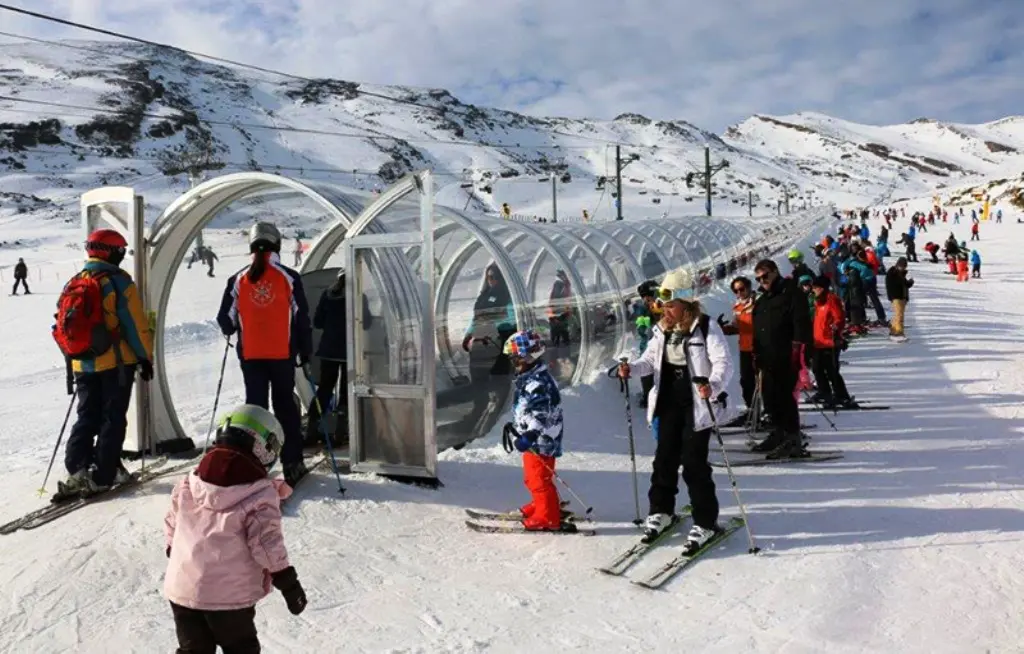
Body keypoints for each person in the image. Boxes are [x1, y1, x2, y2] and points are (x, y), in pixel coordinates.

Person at [164, 404, 307, 653]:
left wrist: (173, 551)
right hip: (227, 599)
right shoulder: (259, 494)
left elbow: (172, 526)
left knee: (193, 650)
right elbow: (266, 544)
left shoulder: (189, 483)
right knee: (240, 647)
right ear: (263, 449)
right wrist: (288, 582)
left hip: (183, 590)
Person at [617, 268, 733, 554]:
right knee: (664, 460)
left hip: (696, 405)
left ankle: (706, 522)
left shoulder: (705, 327)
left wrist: (713, 385)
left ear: (685, 303)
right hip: (668, 401)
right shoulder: (662, 330)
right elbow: (649, 361)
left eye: (670, 304)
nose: (665, 309)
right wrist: (631, 368)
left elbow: (723, 363)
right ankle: (662, 510)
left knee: (694, 464)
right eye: (663, 304)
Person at [56, 229, 154, 496]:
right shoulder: (119, 282)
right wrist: (145, 357)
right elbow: (135, 325)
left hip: (82, 362)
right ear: (112, 252)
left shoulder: (76, 280)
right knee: (112, 418)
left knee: (87, 415)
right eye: (121, 251)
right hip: (115, 363)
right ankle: (103, 475)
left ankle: (78, 468)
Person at [217, 222, 313, 488]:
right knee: (285, 407)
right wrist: (305, 351)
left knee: (256, 409)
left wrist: (240, 324)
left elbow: (225, 320)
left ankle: (254, 463)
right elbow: (302, 319)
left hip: (251, 357)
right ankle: (292, 463)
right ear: (277, 244)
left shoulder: (238, 278)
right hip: (281, 356)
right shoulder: (289, 277)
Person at [501, 330, 566, 531]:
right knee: (532, 478)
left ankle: (548, 516)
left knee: (539, 479)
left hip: (541, 440)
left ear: (528, 356)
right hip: (535, 439)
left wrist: (530, 433)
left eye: (516, 358)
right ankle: (540, 505)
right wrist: (520, 425)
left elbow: (541, 414)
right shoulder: (529, 377)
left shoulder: (538, 383)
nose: (514, 363)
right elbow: (527, 408)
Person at [750, 258, 812, 458]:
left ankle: (792, 438)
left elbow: (801, 324)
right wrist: (756, 354)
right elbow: (758, 330)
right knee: (770, 398)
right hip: (767, 358)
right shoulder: (762, 300)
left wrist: (798, 352)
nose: (763, 281)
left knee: (785, 398)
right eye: (758, 279)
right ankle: (777, 433)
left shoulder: (792, 294)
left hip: (786, 355)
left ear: (775, 271)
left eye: (766, 276)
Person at [305, 270, 372, 446]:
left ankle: (313, 428)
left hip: (328, 351)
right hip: (349, 352)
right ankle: (340, 433)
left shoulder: (327, 295)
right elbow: (367, 322)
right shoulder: (359, 297)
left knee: (325, 390)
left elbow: (318, 322)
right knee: (346, 391)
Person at [458, 263, 517, 437]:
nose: (491, 280)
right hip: (480, 344)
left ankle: (496, 414)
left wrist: (491, 326)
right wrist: (469, 334)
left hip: (498, 343)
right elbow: (476, 318)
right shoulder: (484, 295)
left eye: (495, 276)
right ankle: (478, 411)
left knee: (498, 380)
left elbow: (513, 319)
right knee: (478, 378)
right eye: (489, 277)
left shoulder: (508, 296)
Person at [809, 277, 854, 408]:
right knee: (817, 368)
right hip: (818, 341)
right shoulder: (818, 301)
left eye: (816, 288)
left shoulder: (831, 299)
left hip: (830, 342)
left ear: (822, 288)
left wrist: (835, 327)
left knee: (831, 370)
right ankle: (824, 392)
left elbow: (839, 318)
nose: (814, 290)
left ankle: (842, 395)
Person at [718, 276, 756, 416]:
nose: (739, 293)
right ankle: (752, 410)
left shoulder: (758, 303)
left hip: (760, 347)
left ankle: (770, 412)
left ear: (749, 287)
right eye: (736, 291)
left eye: (742, 289)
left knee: (763, 382)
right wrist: (722, 328)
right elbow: (737, 327)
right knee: (746, 381)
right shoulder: (738, 307)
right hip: (745, 348)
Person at [633, 280, 661, 409]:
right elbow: (641, 329)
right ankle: (647, 396)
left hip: (663, 345)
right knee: (647, 371)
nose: (648, 299)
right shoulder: (642, 310)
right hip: (648, 346)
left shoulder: (662, 306)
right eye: (646, 297)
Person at [885, 257, 914, 341]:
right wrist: (905, 278)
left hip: (902, 297)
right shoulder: (893, 273)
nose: (903, 268)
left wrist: (910, 282)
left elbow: (905, 285)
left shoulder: (900, 273)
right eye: (902, 266)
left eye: (904, 267)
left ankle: (894, 330)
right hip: (896, 297)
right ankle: (899, 332)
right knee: (899, 315)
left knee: (898, 314)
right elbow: (898, 283)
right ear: (897, 265)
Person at [546, 269, 573, 347]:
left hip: (560, 312)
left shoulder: (560, 284)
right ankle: (559, 342)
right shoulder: (560, 284)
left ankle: (560, 342)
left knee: (560, 328)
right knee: (559, 329)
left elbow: (560, 296)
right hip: (558, 312)